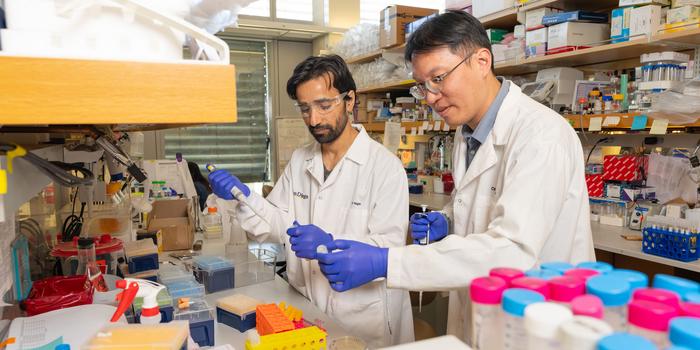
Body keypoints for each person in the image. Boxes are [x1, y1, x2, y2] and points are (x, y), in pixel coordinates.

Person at [314, 11, 595, 343]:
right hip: (485, 309)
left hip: (540, 320)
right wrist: (448, 218)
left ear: (481, 60)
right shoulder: (467, 132)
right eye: (422, 85)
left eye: (438, 78)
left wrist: (387, 262)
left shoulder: (542, 135)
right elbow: (482, 201)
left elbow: (512, 249)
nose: (431, 96)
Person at [208, 55, 414, 347]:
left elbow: (389, 254)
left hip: (363, 315)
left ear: (350, 99)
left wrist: (327, 244)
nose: (314, 119)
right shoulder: (300, 160)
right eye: (305, 108)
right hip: (308, 306)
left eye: (324, 106)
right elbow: (278, 224)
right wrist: (243, 196)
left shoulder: (385, 168)